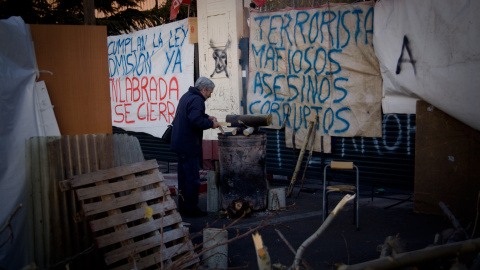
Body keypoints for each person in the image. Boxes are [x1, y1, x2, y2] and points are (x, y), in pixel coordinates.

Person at [170, 77, 220, 217]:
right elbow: (195, 120)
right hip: (189, 145)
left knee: (183, 178)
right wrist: (212, 124)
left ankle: (184, 207)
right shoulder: (198, 100)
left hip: (180, 144)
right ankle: (192, 209)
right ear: (204, 90)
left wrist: (207, 117)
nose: (211, 94)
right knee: (192, 178)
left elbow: (193, 114)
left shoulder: (187, 96)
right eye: (210, 92)